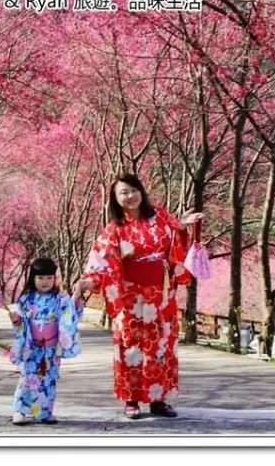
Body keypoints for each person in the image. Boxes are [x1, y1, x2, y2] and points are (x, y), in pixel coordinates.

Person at [79, 173, 203, 419]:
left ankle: (159, 400)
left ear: (141, 191)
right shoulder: (114, 229)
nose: (130, 196)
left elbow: (177, 241)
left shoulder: (161, 217)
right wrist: (89, 280)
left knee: (162, 345)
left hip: (161, 294)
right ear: (115, 199)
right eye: (123, 193)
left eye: (134, 190)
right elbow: (102, 262)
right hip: (130, 295)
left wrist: (181, 226)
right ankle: (131, 399)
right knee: (130, 345)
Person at [9, 257, 84, 426]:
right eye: (40, 278)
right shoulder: (26, 299)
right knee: (28, 377)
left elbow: (71, 315)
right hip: (32, 346)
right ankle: (20, 410)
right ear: (33, 278)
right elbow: (21, 322)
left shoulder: (60, 298)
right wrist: (16, 320)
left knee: (49, 379)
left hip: (51, 348)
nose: (45, 282)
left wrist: (77, 296)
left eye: (49, 277)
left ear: (55, 278)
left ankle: (45, 412)